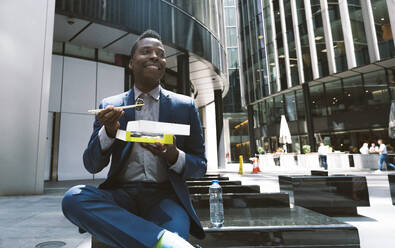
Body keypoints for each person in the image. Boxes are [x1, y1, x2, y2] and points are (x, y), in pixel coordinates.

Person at [61, 30, 206, 248]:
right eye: (146, 51)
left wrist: (175, 156)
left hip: (165, 198)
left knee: (170, 236)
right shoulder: (111, 106)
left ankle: (163, 242)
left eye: (161, 53)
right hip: (120, 195)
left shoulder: (184, 106)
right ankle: (164, 242)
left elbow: (200, 167)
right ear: (131, 63)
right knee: (73, 198)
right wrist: (108, 132)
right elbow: (91, 164)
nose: (155, 56)